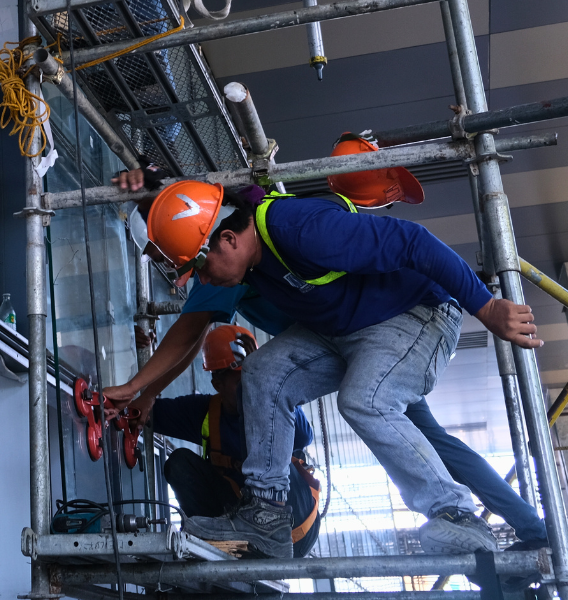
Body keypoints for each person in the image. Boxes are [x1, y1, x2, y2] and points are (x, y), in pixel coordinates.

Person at [106, 167, 541, 558]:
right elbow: (212, 204)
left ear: (228, 239)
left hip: (411, 316)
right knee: (261, 373)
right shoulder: (236, 252)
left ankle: (456, 514)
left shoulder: (301, 229)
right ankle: (266, 516)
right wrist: (137, 392)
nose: (202, 280)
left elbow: (415, 242)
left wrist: (486, 309)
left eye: (200, 268)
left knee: (366, 402)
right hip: (339, 332)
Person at [137, 325, 322, 557]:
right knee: (179, 463)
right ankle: (216, 544)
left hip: (295, 527)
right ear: (218, 384)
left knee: (267, 437)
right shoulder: (206, 413)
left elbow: (304, 436)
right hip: (246, 531)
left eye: (252, 379)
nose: (249, 389)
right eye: (242, 383)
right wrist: (140, 353)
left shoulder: (273, 402)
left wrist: (267, 379)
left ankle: (266, 535)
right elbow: (147, 412)